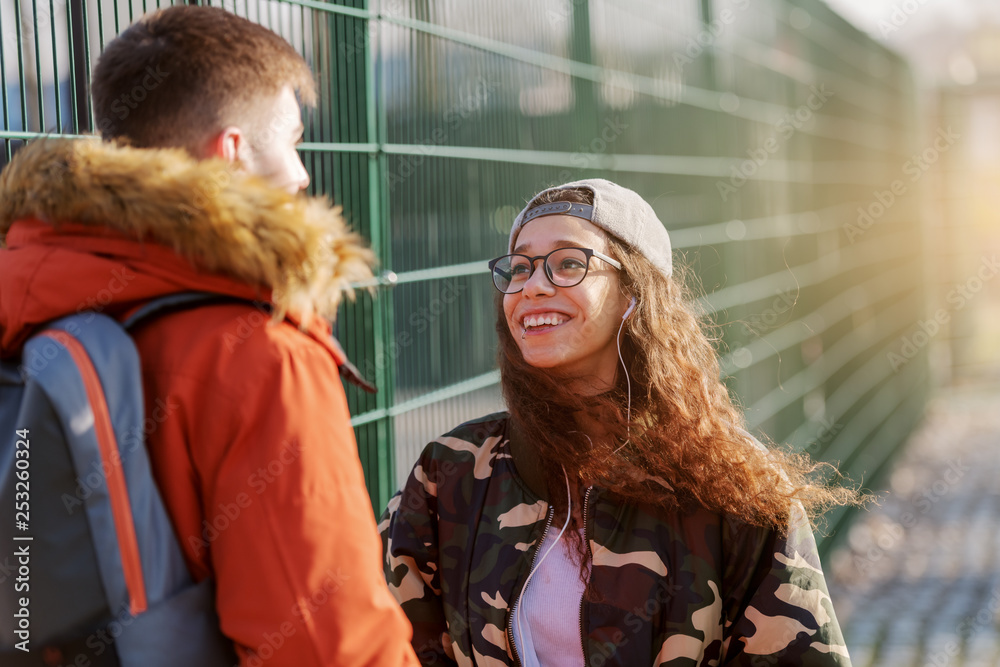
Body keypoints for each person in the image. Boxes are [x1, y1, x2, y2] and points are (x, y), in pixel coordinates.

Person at [0, 6, 416, 666]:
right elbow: (320, 643)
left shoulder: (24, 291)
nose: (304, 174)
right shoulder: (260, 351)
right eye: (293, 141)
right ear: (229, 153)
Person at [380, 179, 857, 666]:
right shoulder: (449, 472)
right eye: (519, 267)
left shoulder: (732, 488)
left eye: (569, 263)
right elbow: (381, 636)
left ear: (634, 291)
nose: (533, 286)